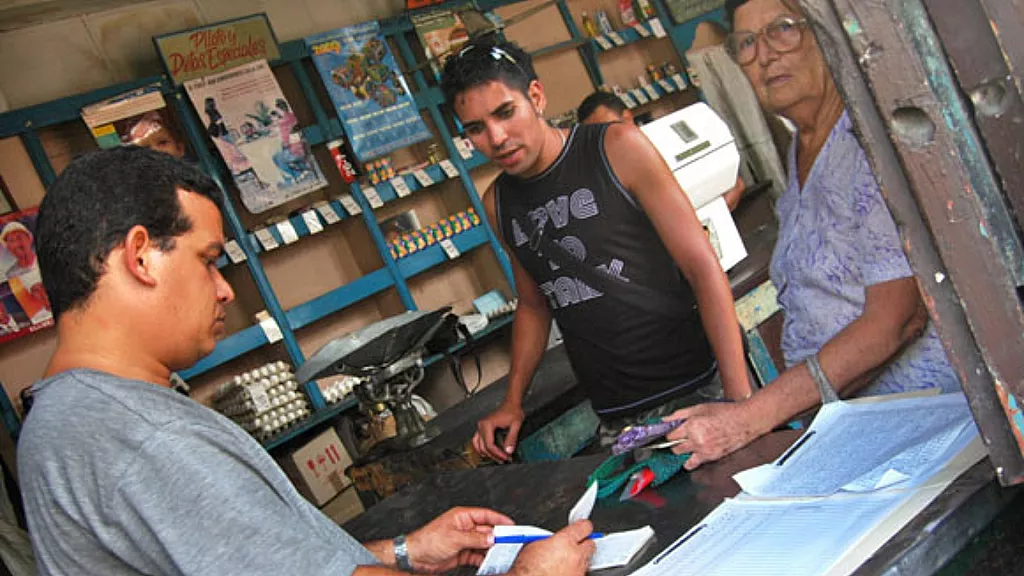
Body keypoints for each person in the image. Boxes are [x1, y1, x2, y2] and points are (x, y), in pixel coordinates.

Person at [19, 146, 595, 575]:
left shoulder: (63, 418)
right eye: (209, 260)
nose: (224, 291)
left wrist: (402, 551)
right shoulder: (146, 439)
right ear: (141, 256)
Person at [664, 0, 961, 469]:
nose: (764, 55)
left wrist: (749, 418)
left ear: (823, 34)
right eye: (746, 43)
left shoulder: (865, 142)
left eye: (783, 30)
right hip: (860, 432)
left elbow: (897, 321)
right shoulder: (802, 148)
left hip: (931, 430)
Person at [441, 39, 753, 463]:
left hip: (700, 385)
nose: (495, 137)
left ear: (536, 96)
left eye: (504, 112)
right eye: (475, 128)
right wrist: (513, 401)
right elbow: (534, 304)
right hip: (617, 416)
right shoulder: (499, 202)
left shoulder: (616, 148)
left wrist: (739, 402)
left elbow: (701, 266)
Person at [577, 91, 747, 212]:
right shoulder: (607, 177)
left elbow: (736, 184)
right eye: (598, 137)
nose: (608, 140)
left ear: (628, 117)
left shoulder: (666, 139)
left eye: (610, 128)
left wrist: (718, 208)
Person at [0, 221, 51, 324]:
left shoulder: (46, 259)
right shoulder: (10, 274)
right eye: (11, 241)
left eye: (19, 238)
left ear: (29, 238)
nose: (16, 244)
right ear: (8, 247)